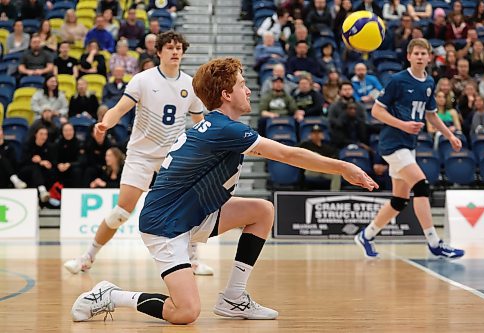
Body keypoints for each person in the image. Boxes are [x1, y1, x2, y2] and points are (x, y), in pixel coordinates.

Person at [71, 57, 378, 324]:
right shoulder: (225, 129)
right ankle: (111, 295)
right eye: (243, 84)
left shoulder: (219, 126)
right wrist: (344, 167)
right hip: (164, 225)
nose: (248, 90)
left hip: (193, 214)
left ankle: (233, 298)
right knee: (186, 312)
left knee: (262, 211)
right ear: (226, 94)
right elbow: (289, 154)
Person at [64, 31, 214, 276]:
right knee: (121, 212)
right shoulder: (143, 80)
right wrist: (105, 123)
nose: (175, 52)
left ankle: (194, 260)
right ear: (158, 52)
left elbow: (199, 122)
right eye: (170, 48)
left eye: (179, 48)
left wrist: (207, 147)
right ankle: (87, 257)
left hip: (172, 157)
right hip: (141, 155)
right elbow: (120, 108)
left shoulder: (190, 84)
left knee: (189, 207)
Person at [354, 38, 465, 260]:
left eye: (424, 54)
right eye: (416, 53)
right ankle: (434, 242)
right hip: (392, 144)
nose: (420, 57)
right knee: (422, 187)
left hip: (408, 146)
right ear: (409, 56)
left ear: (429, 57)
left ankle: (366, 235)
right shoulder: (397, 80)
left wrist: (450, 135)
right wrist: (403, 124)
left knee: (399, 201)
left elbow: (431, 114)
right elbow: (376, 111)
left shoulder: (429, 82)